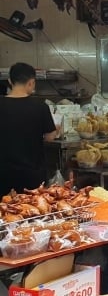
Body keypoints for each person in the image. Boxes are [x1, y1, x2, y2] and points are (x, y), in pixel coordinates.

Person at [0, 63, 58, 197]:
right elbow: (50, 137)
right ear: (31, 82)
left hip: (3, 174)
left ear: (10, 81)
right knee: (34, 212)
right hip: (31, 175)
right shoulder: (40, 107)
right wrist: (56, 129)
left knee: (5, 212)